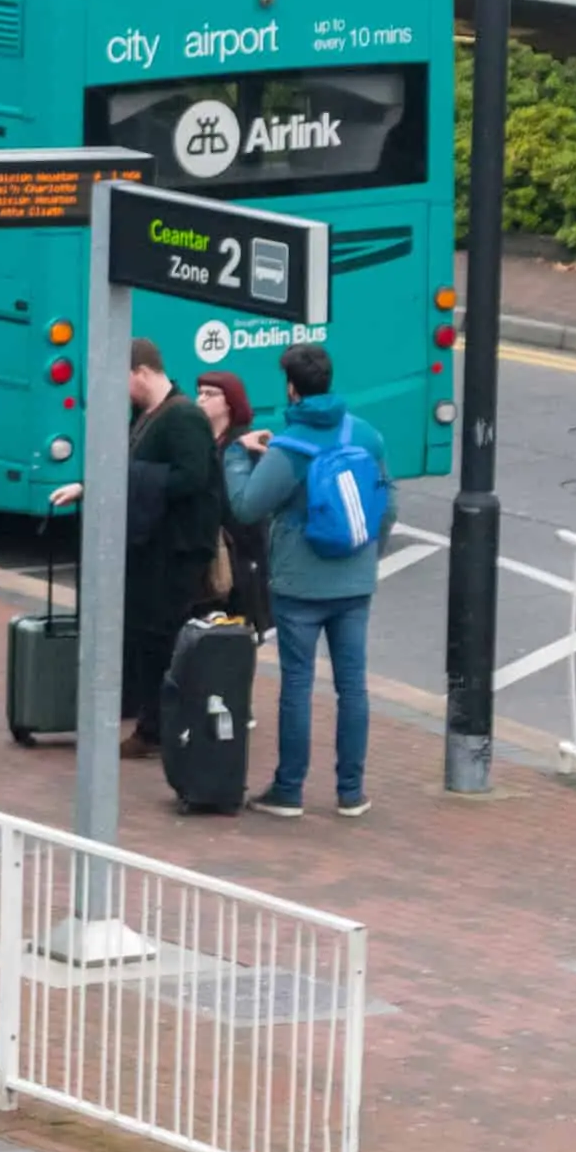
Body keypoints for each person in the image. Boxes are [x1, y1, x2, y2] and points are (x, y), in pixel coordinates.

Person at [222, 343, 390, 819]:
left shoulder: (289, 449)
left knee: (298, 683)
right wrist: (367, 556)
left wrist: (237, 454)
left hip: (300, 584)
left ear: (292, 390)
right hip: (355, 582)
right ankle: (351, 792)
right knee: (352, 686)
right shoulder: (365, 434)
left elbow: (248, 506)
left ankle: (289, 790)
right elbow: (387, 504)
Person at [122, 338, 226, 756]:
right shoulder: (149, 414)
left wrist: (135, 478)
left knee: (161, 638)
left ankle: (157, 727)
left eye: (124, 379)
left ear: (142, 372)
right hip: (155, 546)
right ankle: (151, 719)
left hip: (176, 550)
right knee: (148, 638)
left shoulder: (182, 418)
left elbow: (192, 477)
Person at [193, 368, 273, 633]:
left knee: (236, 635)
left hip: (240, 558)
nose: (201, 399)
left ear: (230, 401)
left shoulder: (247, 446)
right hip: (208, 553)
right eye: (200, 392)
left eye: (210, 393)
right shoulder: (198, 440)